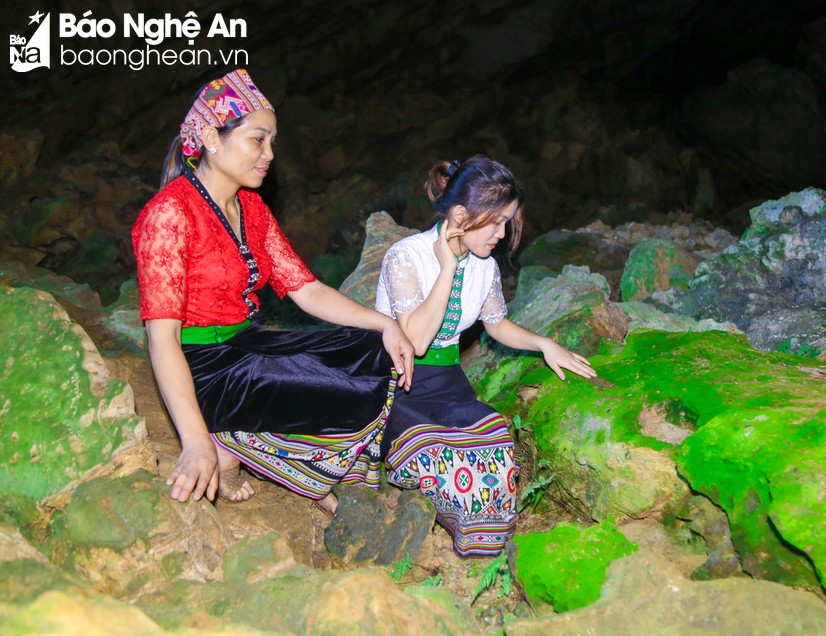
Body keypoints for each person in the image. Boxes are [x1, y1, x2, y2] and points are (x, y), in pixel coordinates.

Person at [132, 69, 414, 510]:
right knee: (349, 392)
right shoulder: (169, 215)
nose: (269, 154)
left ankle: (282, 454)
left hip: (247, 343)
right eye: (257, 140)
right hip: (202, 366)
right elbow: (161, 337)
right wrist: (192, 441)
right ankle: (231, 446)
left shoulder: (251, 206)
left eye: (272, 142)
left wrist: (385, 324)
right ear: (211, 136)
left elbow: (307, 289)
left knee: (375, 350)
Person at [375, 155, 596, 556]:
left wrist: (545, 343)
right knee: (439, 456)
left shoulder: (485, 266)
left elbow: (496, 325)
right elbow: (416, 341)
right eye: (495, 221)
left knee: (494, 444)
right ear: (460, 214)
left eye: (508, 221)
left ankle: (481, 536)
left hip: (448, 385)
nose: (502, 232)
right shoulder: (406, 257)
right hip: (396, 384)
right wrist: (446, 269)